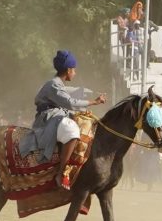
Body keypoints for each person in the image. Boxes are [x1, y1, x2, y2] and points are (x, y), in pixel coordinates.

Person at [19, 50, 107, 190]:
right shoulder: (54, 85)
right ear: (68, 70)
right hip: (48, 118)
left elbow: (74, 92)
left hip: (56, 114)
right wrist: (94, 102)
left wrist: (91, 96)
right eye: (74, 70)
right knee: (73, 131)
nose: (75, 73)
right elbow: (70, 102)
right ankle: (61, 173)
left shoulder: (58, 84)